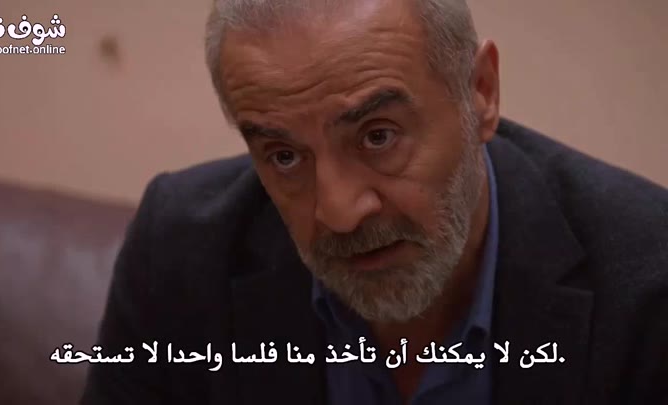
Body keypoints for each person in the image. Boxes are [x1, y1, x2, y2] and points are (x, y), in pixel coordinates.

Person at [81, 0, 668, 404]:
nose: (338, 212)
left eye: (378, 136)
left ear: (481, 93)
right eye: (284, 156)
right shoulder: (179, 250)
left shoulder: (648, 281)